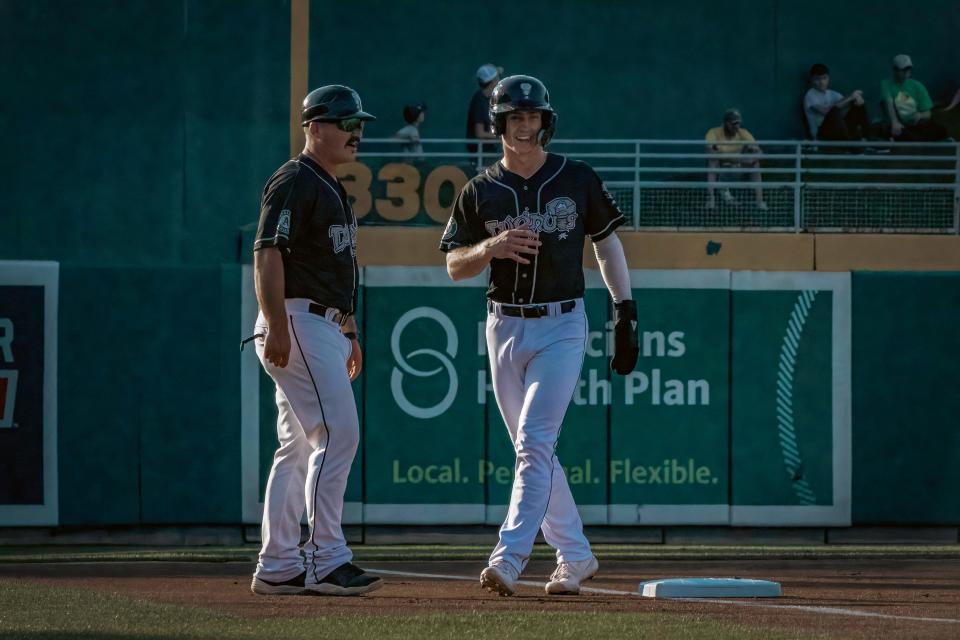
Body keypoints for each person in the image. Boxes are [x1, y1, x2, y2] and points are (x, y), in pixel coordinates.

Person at [440, 75, 639, 597]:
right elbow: (453, 265)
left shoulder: (576, 177)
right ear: (498, 125)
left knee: (533, 443)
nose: (525, 126)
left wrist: (626, 312)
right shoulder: (479, 190)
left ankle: (508, 558)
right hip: (503, 324)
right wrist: (489, 248)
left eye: (533, 117)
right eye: (515, 118)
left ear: (546, 122)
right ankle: (575, 556)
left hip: (562, 323)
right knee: (535, 452)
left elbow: (607, 245)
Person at [249, 85, 383, 597]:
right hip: (298, 320)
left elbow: (333, 266)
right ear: (314, 127)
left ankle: (278, 563)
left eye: (359, 123)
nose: (357, 132)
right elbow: (267, 252)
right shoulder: (294, 178)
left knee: (298, 448)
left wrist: (348, 328)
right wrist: (277, 323)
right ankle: (326, 558)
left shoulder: (331, 186)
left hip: (322, 323)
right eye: (346, 122)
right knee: (337, 432)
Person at [704, 109, 767, 210]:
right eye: (734, 123)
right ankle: (710, 199)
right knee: (712, 160)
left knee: (756, 164)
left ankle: (760, 201)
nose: (737, 126)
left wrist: (751, 158)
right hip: (721, 169)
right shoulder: (714, 132)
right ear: (726, 123)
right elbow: (709, 151)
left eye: (738, 123)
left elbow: (759, 152)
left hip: (737, 167)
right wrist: (731, 160)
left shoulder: (743, 132)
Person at [882, 54, 948, 141]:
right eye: (903, 70)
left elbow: (928, 113)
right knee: (899, 133)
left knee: (941, 130)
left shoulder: (918, 86)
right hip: (902, 126)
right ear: (895, 70)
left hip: (918, 125)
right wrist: (894, 122)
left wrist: (919, 115)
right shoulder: (886, 84)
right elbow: (888, 103)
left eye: (908, 69)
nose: (907, 72)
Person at [803, 63, 869, 141]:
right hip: (822, 134)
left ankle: (867, 137)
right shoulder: (810, 94)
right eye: (817, 79)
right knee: (835, 111)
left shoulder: (833, 93)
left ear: (828, 78)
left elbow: (845, 105)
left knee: (857, 105)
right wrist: (850, 97)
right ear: (812, 80)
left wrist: (856, 100)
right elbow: (827, 111)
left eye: (824, 78)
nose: (821, 82)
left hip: (838, 130)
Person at [465, 63, 502, 154]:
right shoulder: (479, 101)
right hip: (482, 153)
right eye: (497, 78)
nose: (500, 81)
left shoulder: (489, 99)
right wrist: (500, 136)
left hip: (489, 150)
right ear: (493, 82)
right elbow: (480, 133)